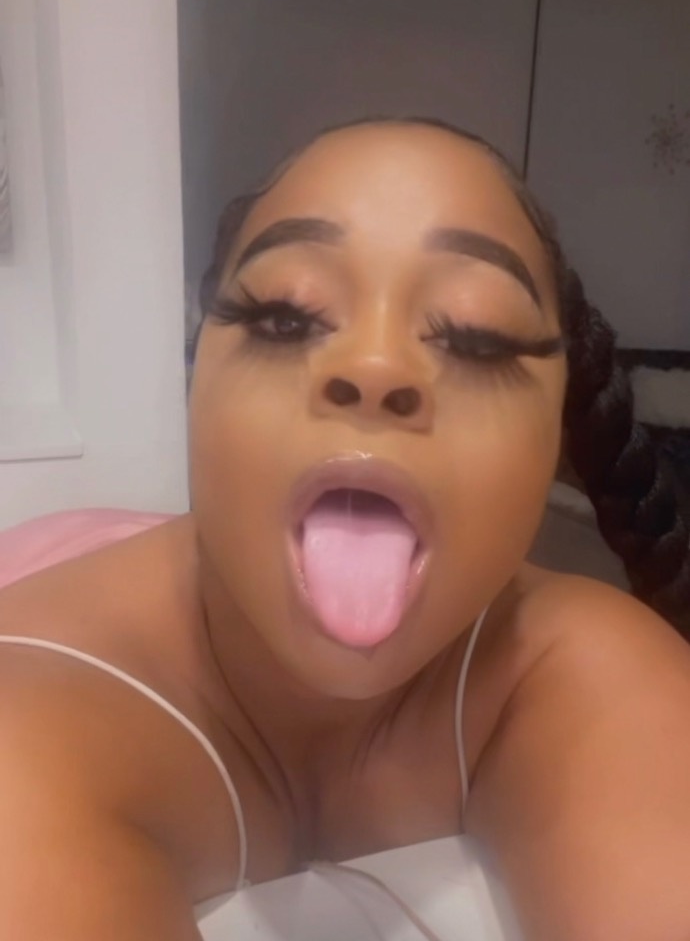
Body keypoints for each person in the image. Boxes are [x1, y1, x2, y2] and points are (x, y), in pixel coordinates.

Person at [1, 117, 689, 941]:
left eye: (477, 337)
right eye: (286, 318)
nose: (374, 366)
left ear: (557, 435)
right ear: (198, 380)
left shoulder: (580, 664)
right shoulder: (23, 740)